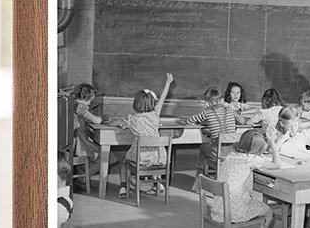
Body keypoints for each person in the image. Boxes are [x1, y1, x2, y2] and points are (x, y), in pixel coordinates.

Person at [211, 128, 281, 228]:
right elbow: (277, 165)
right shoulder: (251, 159)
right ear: (256, 149)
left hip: (219, 208)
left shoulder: (232, 153)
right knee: (268, 211)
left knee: (251, 200)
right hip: (234, 212)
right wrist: (272, 142)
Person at [114, 72, 173, 200]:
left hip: (141, 159)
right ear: (153, 103)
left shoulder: (131, 119)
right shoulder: (155, 114)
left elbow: (116, 123)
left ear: (135, 103)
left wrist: (109, 121)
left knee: (124, 162)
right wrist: (168, 82)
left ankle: (123, 186)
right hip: (159, 158)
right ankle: (157, 183)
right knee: (152, 157)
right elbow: (163, 97)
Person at [187, 86, 237, 177]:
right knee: (213, 144)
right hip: (232, 152)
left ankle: (200, 175)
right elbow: (242, 121)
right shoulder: (230, 110)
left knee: (203, 147)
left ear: (207, 103)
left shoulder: (207, 112)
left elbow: (189, 121)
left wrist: (202, 124)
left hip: (217, 152)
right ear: (222, 100)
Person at [71, 82, 103, 165]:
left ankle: (86, 175)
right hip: (79, 140)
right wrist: (100, 118)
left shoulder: (74, 104)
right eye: (90, 100)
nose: (90, 103)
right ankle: (87, 177)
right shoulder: (81, 107)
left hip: (77, 137)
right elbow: (96, 120)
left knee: (102, 155)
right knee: (103, 155)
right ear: (85, 98)